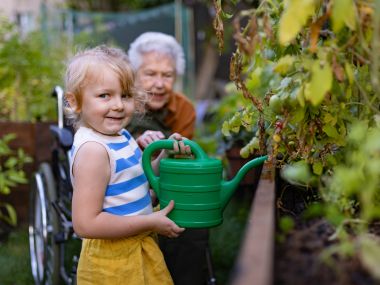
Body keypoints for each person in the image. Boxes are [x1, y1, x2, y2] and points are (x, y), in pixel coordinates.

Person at [64, 45, 191, 285]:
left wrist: (165, 154)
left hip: (137, 246)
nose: (119, 105)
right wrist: (150, 222)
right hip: (112, 262)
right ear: (75, 101)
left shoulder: (120, 136)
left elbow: (138, 181)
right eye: (105, 95)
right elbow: (85, 223)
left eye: (125, 95)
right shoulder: (94, 151)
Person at [127, 32, 211, 285]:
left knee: (190, 221)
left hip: (166, 180)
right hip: (125, 184)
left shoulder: (184, 108)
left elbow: (180, 163)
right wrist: (139, 138)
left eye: (167, 75)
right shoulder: (121, 104)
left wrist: (172, 147)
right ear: (134, 75)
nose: (159, 83)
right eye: (150, 73)